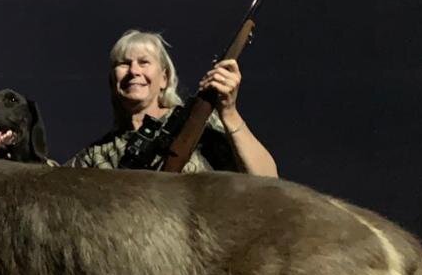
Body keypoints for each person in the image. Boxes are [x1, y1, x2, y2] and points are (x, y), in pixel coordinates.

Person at [65, 29, 278, 176]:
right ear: (113, 80)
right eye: (124, 64)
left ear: (164, 78)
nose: (134, 71)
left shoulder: (197, 123)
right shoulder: (96, 155)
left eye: (144, 62)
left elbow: (267, 179)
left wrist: (229, 112)